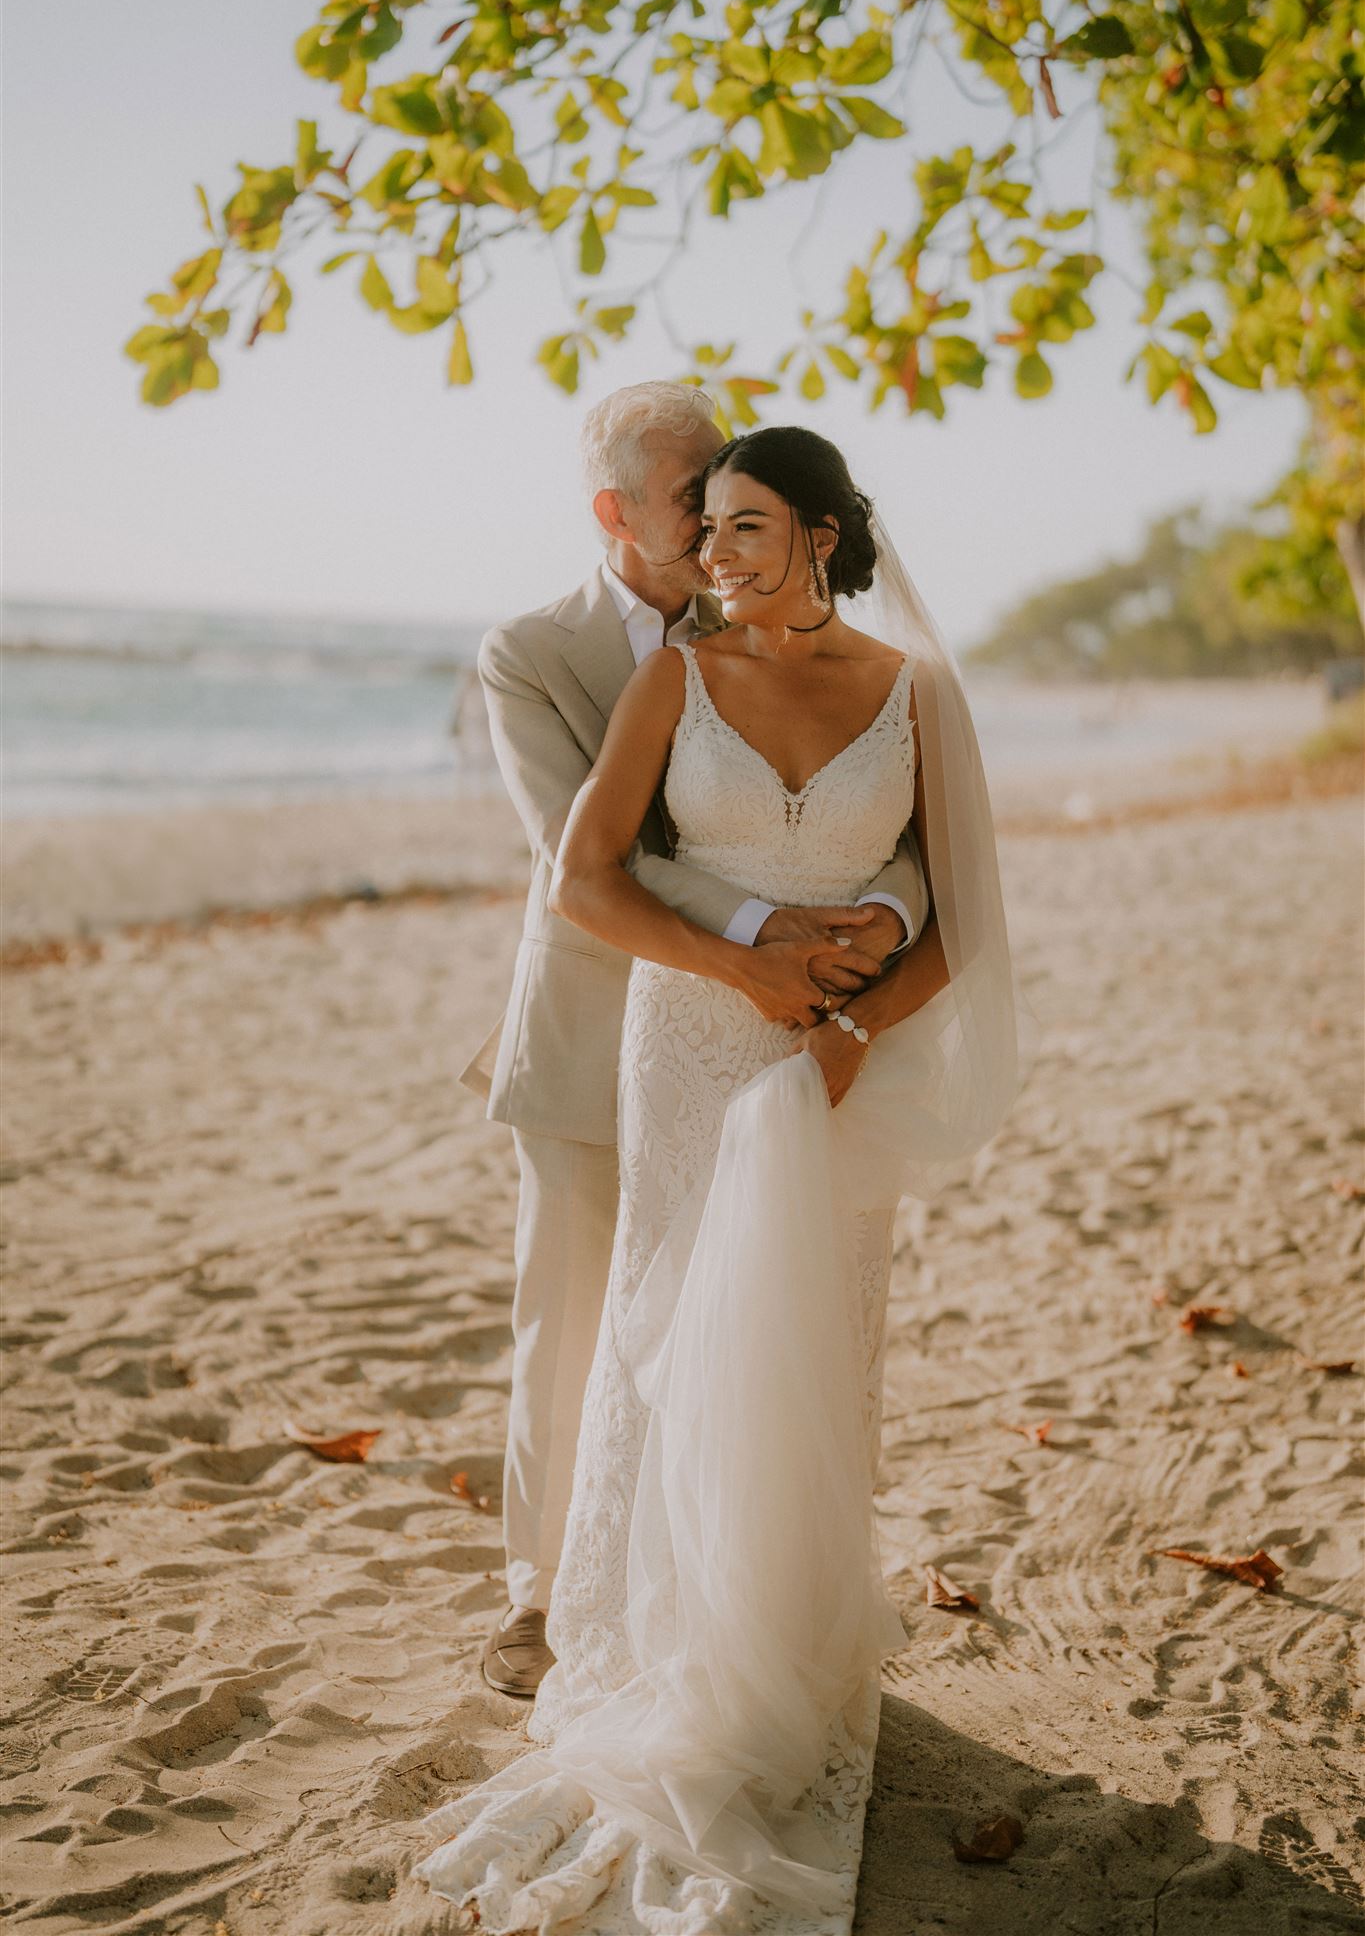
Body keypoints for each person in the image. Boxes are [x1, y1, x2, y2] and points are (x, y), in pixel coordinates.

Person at [416, 424, 1028, 1933]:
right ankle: (647, 1644)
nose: (717, 555)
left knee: (813, 1344)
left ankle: (789, 1658)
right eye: (706, 532)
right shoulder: (673, 678)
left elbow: (961, 913)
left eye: (745, 526)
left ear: (821, 533)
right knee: (665, 1336)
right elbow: (584, 875)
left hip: (837, 1062)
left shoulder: (917, 695)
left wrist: (851, 1027)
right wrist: (741, 972)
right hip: (686, 1036)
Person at [462, 385, 930, 1698]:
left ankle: (715, 1605)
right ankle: (540, 1602)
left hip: (779, 1037)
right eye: (688, 493)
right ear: (614, 512)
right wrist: (759, 927)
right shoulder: (532, 651)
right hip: (598, 1021)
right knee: (579, 1320)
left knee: (750, 1317)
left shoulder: (784, 622)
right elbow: (582, 853)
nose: (713, 512)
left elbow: (889, 818)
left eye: (728, 486)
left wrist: (849, 939)